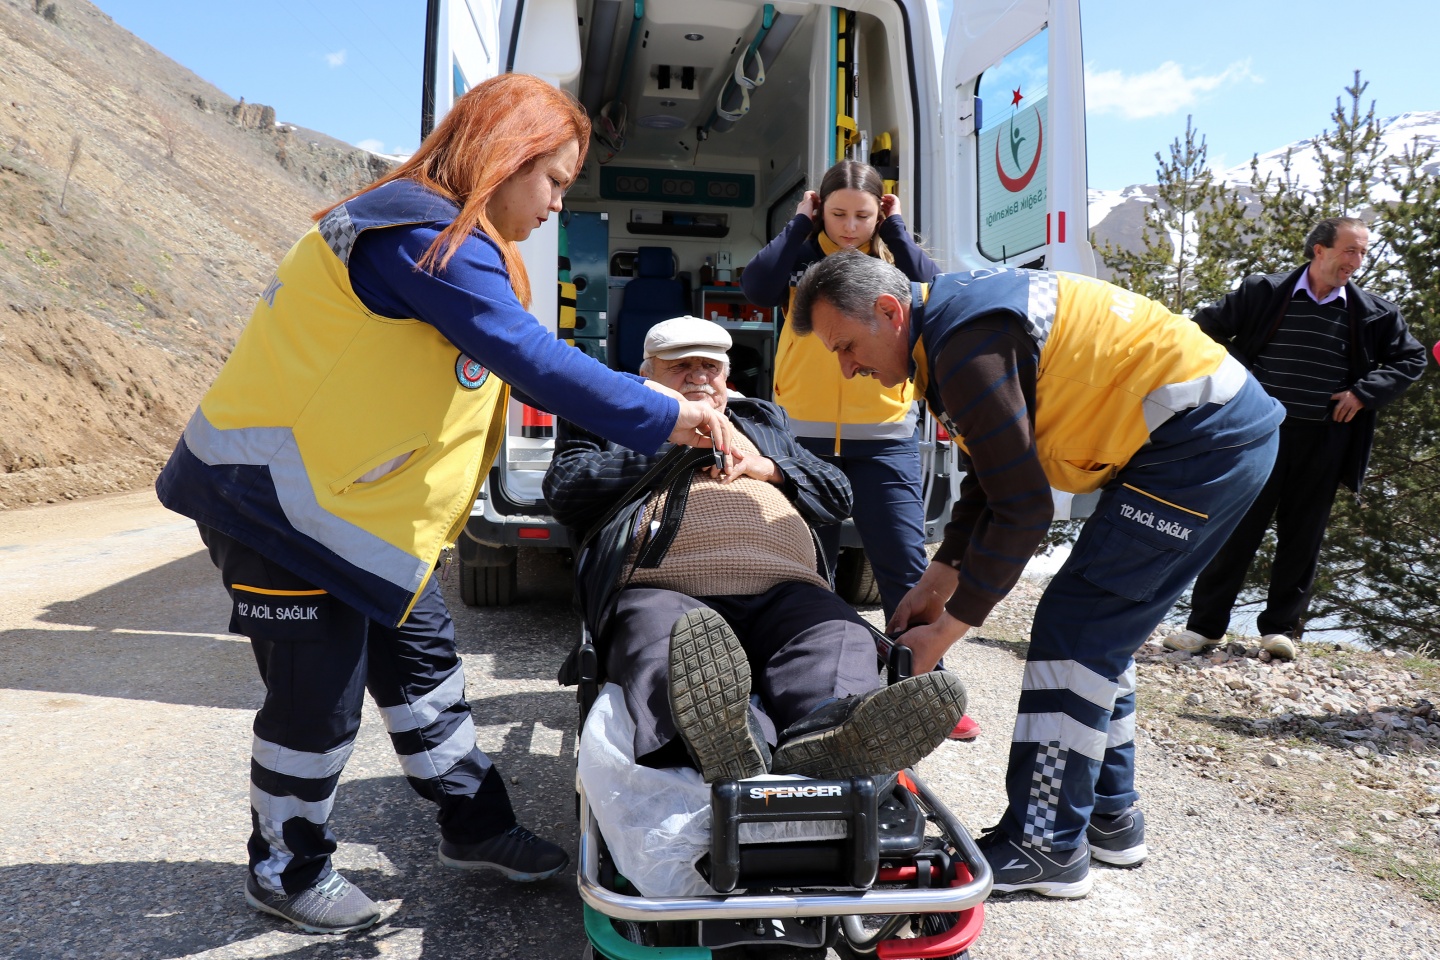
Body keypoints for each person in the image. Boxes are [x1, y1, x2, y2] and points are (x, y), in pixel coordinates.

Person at [154, 74, 738, 936]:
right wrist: (670, 415)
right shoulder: (421, 235)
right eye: (554, 181)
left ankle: (476, 827)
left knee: (426, 674)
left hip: (364, 519)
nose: (554, 205)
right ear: (504, 157)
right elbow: (531, 360)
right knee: (316, 706)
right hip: (280, 510)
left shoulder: (445, 235)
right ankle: (285, 867)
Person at [787, 250, 1286, 898]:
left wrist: (945, 634)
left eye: (847, 346)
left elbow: (1025, 509)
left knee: (1077, 624)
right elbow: (998, 473)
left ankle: (1046, 842)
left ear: (889, 311)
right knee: (1100, 624)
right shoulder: (950, 327)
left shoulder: (964, 348)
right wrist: (937, 582)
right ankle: (1109, 812)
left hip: (1206, 441)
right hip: (1203, 435)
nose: (848, 366)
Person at [542, 316, 967, 785]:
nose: (699, 376)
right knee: (670, 645)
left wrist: (770, 468)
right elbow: (567, 490)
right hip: (664, 585)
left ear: (727, 378)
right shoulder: (611, 413)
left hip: (785, 586)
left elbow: (838, 493)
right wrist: (669, 437)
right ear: (648, 375)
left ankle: (833, 734)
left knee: (838, 635)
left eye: (709, 367)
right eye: (680, 366)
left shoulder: (760, 420)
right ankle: (734, 740)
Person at [741, 161, 979, 742]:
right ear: (819, 206)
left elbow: (941, 292)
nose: (849, 227)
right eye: (837, 213)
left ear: (882, 211)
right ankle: (803, 688)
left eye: (863, 215)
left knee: (902, 563)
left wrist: (897, 235)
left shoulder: (893, 258)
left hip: (886, 438)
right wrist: (798, 227)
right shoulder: (802, 256)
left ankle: (925, 691)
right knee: (805, 567)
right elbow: (755, 289)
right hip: (803, 441)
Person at [1167, 217, 1426, 660]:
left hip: (1324, 440)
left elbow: (1411, 359)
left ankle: (1280, 631)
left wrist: (1364, 393)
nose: (1357, 262)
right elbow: (1203, 329)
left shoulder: (1376, 313)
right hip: (1258, 431)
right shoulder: (1263, 291)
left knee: (1303, 536)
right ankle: (1204, 628)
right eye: (1350, 251)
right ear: (1319, 250)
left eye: (1363, 252)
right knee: (1236, 529)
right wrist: (1242, 374)